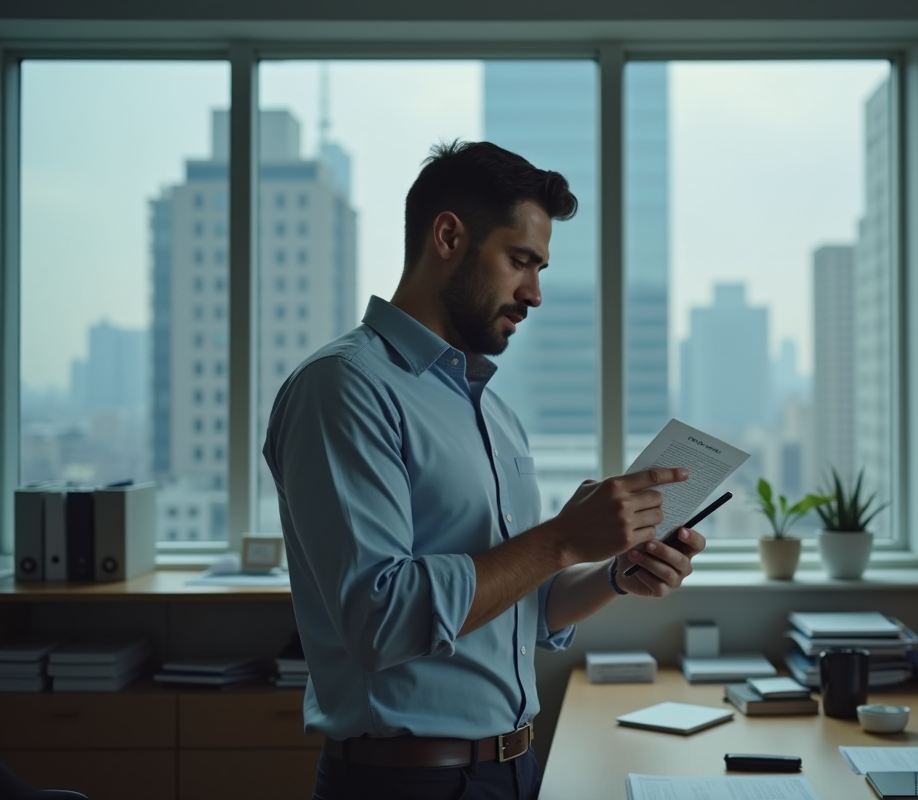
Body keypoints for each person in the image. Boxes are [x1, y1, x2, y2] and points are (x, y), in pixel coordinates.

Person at [262, 140, 707, 800]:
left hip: (513, 769)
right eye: (520, 261)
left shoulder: (492, 412)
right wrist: (560, 539)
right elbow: (380, 619)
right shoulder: (345, 387)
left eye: (541, 268)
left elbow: (517, 607)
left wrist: (612, 569)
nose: (534, 293)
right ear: (449, 236)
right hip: (405, 784)